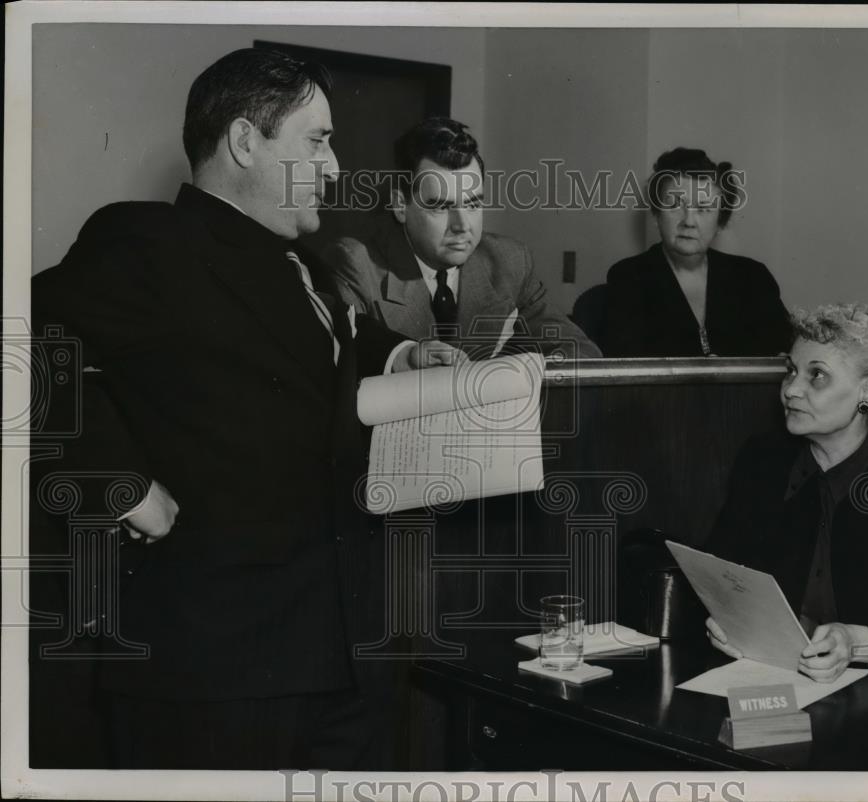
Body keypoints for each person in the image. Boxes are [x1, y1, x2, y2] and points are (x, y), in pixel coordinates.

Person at [31, 48, 461, 770]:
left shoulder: (311, 266)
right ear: (243, 140)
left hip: (349, 657)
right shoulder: (145, 243)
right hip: (213, 679)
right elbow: (22, 342)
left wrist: (400, 356)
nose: (334, 166)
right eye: (317, 141)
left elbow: (326, 349)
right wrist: (114, 480)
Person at [704, 303, 868, 682]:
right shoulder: (763, 461)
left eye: (818, 376)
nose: (791, 390)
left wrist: (858, 643)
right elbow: (721, 567)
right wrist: (727, 619)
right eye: (791, 371)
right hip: (769, 679)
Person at [330, 117, 602, 360]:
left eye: (472, 205)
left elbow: (580, 350)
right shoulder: (356, 264)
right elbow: (342, 371)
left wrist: (527, 372)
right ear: (401, 206)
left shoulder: (509, 260)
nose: (461, 226)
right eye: (440, 207)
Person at [597, 147, 791, 357]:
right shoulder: (629, 276)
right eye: (675, 205)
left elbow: (783, 352)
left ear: (720, 222)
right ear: (656, 214)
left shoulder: (753, 277)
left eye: (703, 209)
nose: (688, 221)